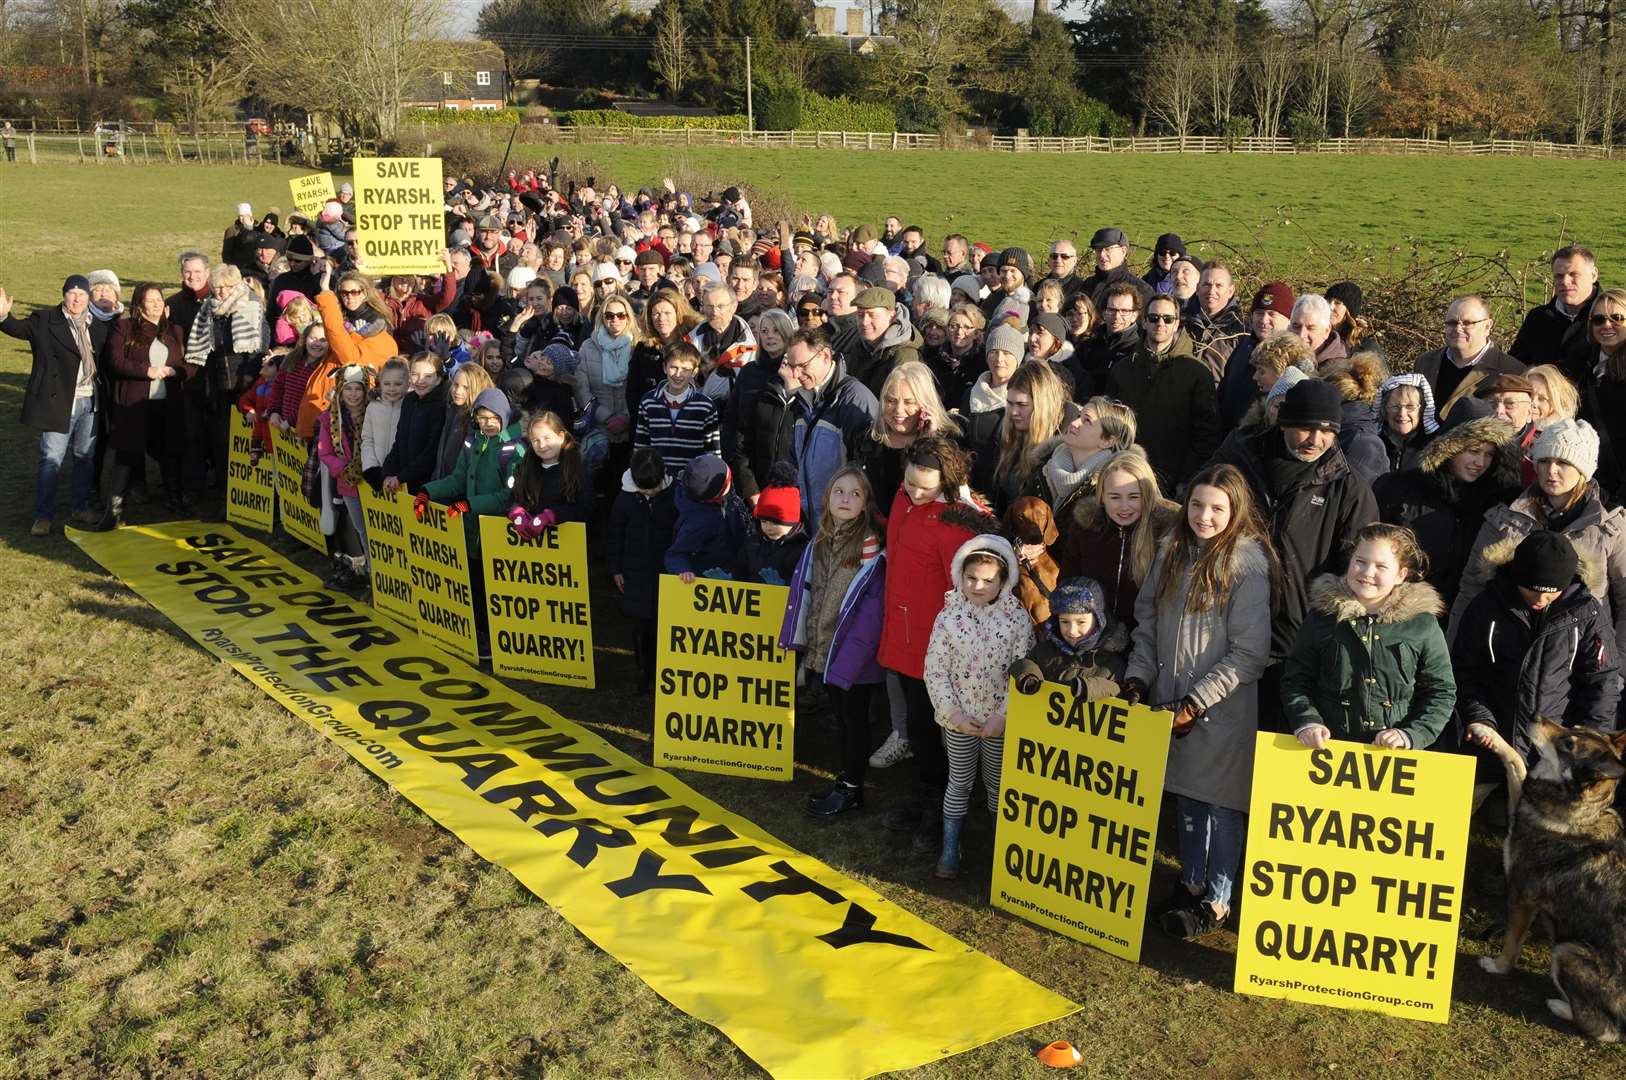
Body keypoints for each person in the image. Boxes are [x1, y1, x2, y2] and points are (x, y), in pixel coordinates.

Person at [1122, 463, 1274, 939]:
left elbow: (1250, 652)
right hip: (1170, 703)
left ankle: (1219, 899)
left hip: (1219, 708)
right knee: (1187, 797)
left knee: (1221, 804)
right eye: (1196, 505)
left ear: (1236, 511)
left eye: (1216, 508)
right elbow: (1147, 623)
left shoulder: (1246, 567)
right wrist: (1137, 680)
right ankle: (1190, 883)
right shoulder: (1171, 553)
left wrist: (1196, 701)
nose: (1204, 517)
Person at [1209, 379, 1378, 724]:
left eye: (1327, 431)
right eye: (1305, 428)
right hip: (1224, 620)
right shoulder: (1239, 457)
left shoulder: (1349, 489)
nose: (1315, 440)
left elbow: (1360, 568)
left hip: (1296, 637)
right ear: (1284, 422)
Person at [1455, 530, 1623, 810]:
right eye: (1531, 589)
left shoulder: (1587, 614)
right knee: (1457, 817)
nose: (1540, 600)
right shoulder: (1486, 607)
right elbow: (1464, 671)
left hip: (1556, 751)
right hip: (1492, 741)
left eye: (1551, 592)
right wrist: (1479, 718)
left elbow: (1602, 682)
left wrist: (1587, 744)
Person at [877, 438, 989, 850]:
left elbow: (960, 590)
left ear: (946, 480)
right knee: (919, 728)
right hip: (902, 633)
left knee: (934, 728)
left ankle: (943, 809)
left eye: (925, 487)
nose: (916, 492)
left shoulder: (955, 521)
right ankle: (925, 795)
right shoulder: (901, 500)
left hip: (933, 646)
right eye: (910, 483)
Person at [1450, 419, 1626, 656]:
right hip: (1508, 652)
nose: (1551, 471)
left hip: (1583, 655)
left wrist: (1617, 667)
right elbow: (1471, 589)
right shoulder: (1504, 517)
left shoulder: (1610, 523)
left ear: (1583, 469)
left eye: (1563, 462)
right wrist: (1453, 658)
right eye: (1544, 461)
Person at [1282, 523, 1455, 750]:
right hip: (1328, 753)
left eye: (1381, 566)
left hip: (1397, 763)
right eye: (1360, 562)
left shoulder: (1423, 625)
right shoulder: (1321, 618)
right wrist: (1307, 721)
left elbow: (1441, 692)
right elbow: (1296, 680)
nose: (1367, 573)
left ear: (1401, 575)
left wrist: (1412, 735)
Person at [925, 533, 1035, 880]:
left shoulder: (1017, 620)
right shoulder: (947, 618)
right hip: (960, 721)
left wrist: (1004, 716)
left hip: (998, 723)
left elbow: (1023, 672)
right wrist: (952, 714)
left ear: (1004, 581)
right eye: (972, 578)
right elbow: (935, 669)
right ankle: (950, 846)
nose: (978, 585)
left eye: (988, 580)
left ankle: (1001, 849)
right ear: (960, 575)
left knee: (998, 786)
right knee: (958, 782)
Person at [784, 466, 888, 817]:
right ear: (826, 498)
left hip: (853, 654)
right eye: (838, 492)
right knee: (842, 719)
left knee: (855, 720)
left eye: (855, 494)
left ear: (866, 503)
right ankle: (845, 781)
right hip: (826, 648)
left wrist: (849, 654)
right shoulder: (822, 539)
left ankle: (853, 788)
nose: (845, 499)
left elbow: (870, 607)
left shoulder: (868, 543)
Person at [419, 387, 526, 660]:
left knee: (495, 588)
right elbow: (458, 478)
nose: (487, 423)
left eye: (492, 418)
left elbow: (509, 496)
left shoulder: (516, 448)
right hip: (472, 530)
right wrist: (428, 491)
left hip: (499, 532)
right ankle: (480, 633)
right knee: (475, 584)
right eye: (481, 417)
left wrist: (469, 504)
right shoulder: (473, 441)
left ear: (503, 416)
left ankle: (496, 639)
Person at [1374, 413, 1521, 609]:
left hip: (1460, 612)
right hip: (1395, 605)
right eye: (1473, 451)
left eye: (1489, 454)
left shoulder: (1494, 500)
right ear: (1448, 449)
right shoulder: (1397, 487)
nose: (1480, 462)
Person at [2, 276, 112, 535]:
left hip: (91, 401)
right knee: (51, 459)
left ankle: (80, 507)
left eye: (82, 295)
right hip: (60, 402)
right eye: (72, 294)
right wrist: (3, 317)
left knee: (85, 457)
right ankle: (43, 516)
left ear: (88, 298)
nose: (77, 299)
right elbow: (18, 329)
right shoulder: (44, 320)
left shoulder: (95, 324)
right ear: (63, 295)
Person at [96, 282, 190, 528]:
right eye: (150, 301)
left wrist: (176, 372)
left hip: (167, 404)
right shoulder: (124, 327)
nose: (157, 305)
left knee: (171, 452)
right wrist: (147, 371)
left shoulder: (175, 331)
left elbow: (189, 364)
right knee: (126, 455)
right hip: (134, 403)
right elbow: (115, 361)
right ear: (139, 305)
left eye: (159, 300)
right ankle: (113, 511)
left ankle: (175, 499)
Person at [1105, 292, 1219, 491]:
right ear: (1144, 322)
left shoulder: (1197, 372)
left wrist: (1187, 479)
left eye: (1168, 319)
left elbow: (1206, 434)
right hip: (1126, 474)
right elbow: (1107, 422)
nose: (1161, 323)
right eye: (1154, 318)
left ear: (1177, 324)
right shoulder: (1122, 369)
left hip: (1175, 480)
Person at [1058, 449, 1180, 632]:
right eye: (1115, 497)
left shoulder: (1165, 534)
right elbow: (1068, 582)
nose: (1124, 507)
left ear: (1147, 496)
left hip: (1145, 639)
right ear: (1102, 497)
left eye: (1133, 497)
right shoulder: (1086, 528)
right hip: (1091, 636)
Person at [783, 326, 879, 525]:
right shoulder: (802, 399)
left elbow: (866, 471)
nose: (796, 373)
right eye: (792, 366)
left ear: (826, 356)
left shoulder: (854, 399)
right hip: (814, 523)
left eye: (802, 365)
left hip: (845, 525)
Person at [853, 360, 961, 535]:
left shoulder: (948, 442)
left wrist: (930, 442)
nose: (898, 410)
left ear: (926, 404)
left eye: (909, 402)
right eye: (891, 400)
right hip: (872, 540)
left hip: (921, 539)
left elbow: (952, 495)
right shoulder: (867, 441)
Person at [608, 447, 679, 692]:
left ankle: (664, 669)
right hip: (635, 571)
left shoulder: (675, 494)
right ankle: (643, 669)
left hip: (665, 570)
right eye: (644, 489)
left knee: (665, 624)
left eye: (653, 488)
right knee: (640, 626)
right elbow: (615, 533)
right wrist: (615, 568)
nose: (649, 493)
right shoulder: (624, 499)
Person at [1007, 577, 1129, 701]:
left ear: (1099, 621)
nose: (1071, 630)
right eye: (1065, 621)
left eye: (1081, 622)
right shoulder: (1044, 652)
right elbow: (1024, 664)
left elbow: (1120, 693)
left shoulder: (1112, 664)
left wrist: (1091, 688)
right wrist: (1029, 675)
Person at [1412, 294, 1525, 420]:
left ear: (1487, 327)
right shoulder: (1425, 362)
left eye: (1467, 323)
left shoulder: (1512, 371)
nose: (1458, 329)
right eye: (1452, 323)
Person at [316, 365, 373, 593]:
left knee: (374, 532)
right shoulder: (330, 419)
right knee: (361, 531)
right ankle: (366, 574)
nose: (353, 395)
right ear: (340, 391)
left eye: (358, 389)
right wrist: (345, 469)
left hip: (371, 483)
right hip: (348, 484)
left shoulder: (373, 413)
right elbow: (325, 453)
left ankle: (375, 575)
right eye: (348, 389)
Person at [633, 340, 719, 480]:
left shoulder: (705, 406)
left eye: (685, 369)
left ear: (694, 372)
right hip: (657, 482)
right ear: (664, 367)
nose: (678, 374)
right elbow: (641, 446)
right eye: (673, 367)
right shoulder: (648, 402)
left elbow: (713, 452)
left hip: (692, 483)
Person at [1041, 396, 1135, 522]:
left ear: (1107, 441)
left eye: (1087, 421)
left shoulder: (1107, 490)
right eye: (1078, 416)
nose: (1074, 423)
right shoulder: (1045, 464)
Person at [990, 360, 1067, 515]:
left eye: (1022, 405)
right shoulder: (1008, 434)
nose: (1013, 412)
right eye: (1010, 403)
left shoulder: (1062, 451)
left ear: (1042, 406)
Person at [1217, 280, 1295, 429]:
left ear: (1288, 319)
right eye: (1259, 313)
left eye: (1272, 314)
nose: (1264, 320)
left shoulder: (1292, 357)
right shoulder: (1243, 347)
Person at [1509, 245, 1602, 367]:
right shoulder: (1538, 318)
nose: (1565, 281)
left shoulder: (1613, 318)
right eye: (1559, 276)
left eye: (1574, 274)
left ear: (1593, 275)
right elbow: (1514, 366)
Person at [664, 454, 749, 582]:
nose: (731, 483)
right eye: (728, 482)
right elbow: (676, 554)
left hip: (734, 569)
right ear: (717, 495)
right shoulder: (697, 522)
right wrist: (684, 570)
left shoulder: (730, 499)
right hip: (711, 579)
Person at [1576, 287, 1626, 496]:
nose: (1607, 325)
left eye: (1617, 318)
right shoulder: (1580, 362)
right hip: (1592, 480)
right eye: (1598, 319)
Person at [507, 410, 593, 532]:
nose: (542, 445)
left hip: (565, 543)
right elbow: (514, 497)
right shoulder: (526, 467)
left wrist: (552, 516)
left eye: (547, 438)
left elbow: (585, 509)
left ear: (561, 437)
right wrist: (516, 512)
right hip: (531, 547)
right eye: (536, 440)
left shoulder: (577, 469)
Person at [381, 354, 452, 494]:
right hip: (402, 482)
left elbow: (431, 452)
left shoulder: (441, 406)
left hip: (426, 486)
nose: (420, 381)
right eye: (415, 375)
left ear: (438, 379)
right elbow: (399, 441)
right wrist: (388, 473)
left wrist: (401, 477)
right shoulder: (409, 400)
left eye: (427, 376)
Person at [835, 286, 922, 397]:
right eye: (860, 315)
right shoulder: (859, 345)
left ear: (892, 316)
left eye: (872, 315)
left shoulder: (904, 355)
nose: (864, 322)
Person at [736, 467, 808, 585]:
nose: (768, 527)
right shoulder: (752, 544)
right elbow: (741, 570)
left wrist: (783, 585)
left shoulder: (802, 550)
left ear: (791, 521)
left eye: (775, 522)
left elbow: (805, 586)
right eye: (764, 521)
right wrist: (730, 579)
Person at [1185, 260, 1247, 384]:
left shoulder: (1242, 330)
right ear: (1197, 288)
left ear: (1230, 291)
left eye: (1219, 285)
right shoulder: (1179, 322)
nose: (1211, 291)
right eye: (1206, 284)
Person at [359, 358, 408, 493]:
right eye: (387, 384)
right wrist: (371, 469)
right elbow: (367, 440)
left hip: (401, 480)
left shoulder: (410, 408)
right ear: (380, 384)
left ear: (407, 384)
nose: (392, 389)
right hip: (377, 476)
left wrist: (399, 475)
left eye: (398, 384)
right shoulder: (373, 407)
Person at [1376, 373, 1439, 473]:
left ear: (1422, 409)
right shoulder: (1373, 444)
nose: (1402, 414)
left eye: (1410, 407)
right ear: (1385, 409)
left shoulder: (1434, 447)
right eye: (1395, 406)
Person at [1080, 227, 1150, 307]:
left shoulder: (1141, 289)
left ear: (1123, 251)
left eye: (1108, 249)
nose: (1102, 255)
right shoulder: (1088, 285)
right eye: (1098, 250)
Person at [1287, 294, 1347, 366]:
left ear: (1326, 331)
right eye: (1296, 326)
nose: (1301, 335)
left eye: (1310, 328)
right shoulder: (1277, 359)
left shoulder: (1338, 371)